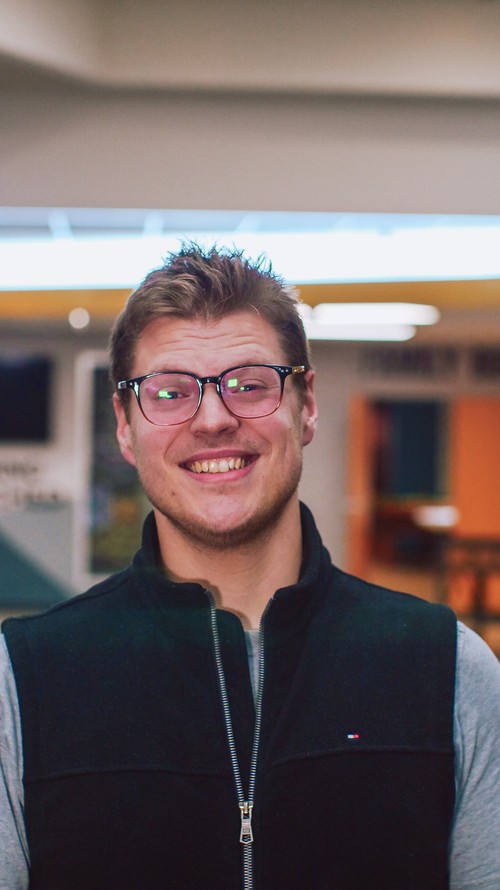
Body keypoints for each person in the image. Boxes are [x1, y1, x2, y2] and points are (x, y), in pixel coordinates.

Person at [1, 244, 500, 890]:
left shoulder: (450, 673)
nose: (214, 419)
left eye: (249, 385)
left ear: (306, 404)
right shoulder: (24, 683)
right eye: (170, 392)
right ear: (124, 426)